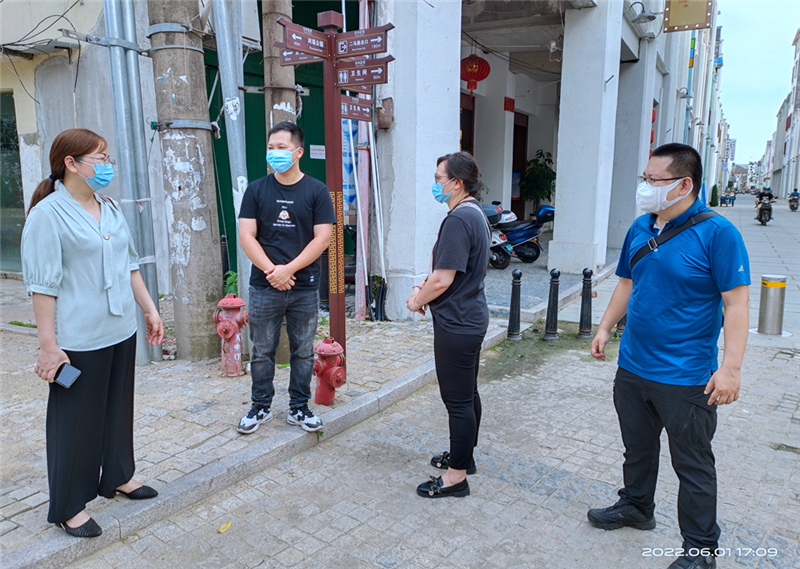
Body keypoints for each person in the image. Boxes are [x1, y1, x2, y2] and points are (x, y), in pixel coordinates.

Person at [588, 143, 750, 569]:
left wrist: (731, 369)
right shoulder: (641, 227)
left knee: (693, 465)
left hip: (686, 376)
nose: (645, 187)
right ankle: (636, 506)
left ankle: (700, 549)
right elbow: (627, 282)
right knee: (637, 448)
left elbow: (736, 304)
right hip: (633, 366)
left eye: (653, 180)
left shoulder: (718, 234)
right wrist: (604, 327)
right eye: (644, 178)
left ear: (684, 185)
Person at [22, 128, 164, 538]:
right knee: (75, 422)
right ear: (71, 163)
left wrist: (149, 309)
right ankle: (69, 505)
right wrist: (48, 347)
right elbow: (42, 286)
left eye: (107, 158)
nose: (107, 166)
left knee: (117, 408)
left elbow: (130, 265)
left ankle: (119, 474)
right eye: (99, 158)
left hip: (119, 330)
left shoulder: (110, 207)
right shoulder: (48, 215)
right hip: (78, 339)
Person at [237, 121, 335, 434]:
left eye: (282, 147)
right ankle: (260, 406)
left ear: (298, 152)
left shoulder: (317, 191)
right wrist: (273, 271)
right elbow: (246, 236)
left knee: (303, 351)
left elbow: (322, 238)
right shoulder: (256, 190)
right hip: (264, 286)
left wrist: (288, 270)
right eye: (271, 147)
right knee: (262, 350)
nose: (274, 153)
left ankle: (299, 408)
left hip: (304, 287)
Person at [407, 151, 490, 499]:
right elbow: (447, 272)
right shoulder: (475, 213)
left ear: (457, 183)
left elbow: (443, 279)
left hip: (458, 323)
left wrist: (417, 300)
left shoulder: (459, 219)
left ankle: (456, 478)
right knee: (467, 394)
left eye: (439, 179)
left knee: (457, 400)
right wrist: (425, 287)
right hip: (469, 317)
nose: (435, 184)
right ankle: (464, 458)